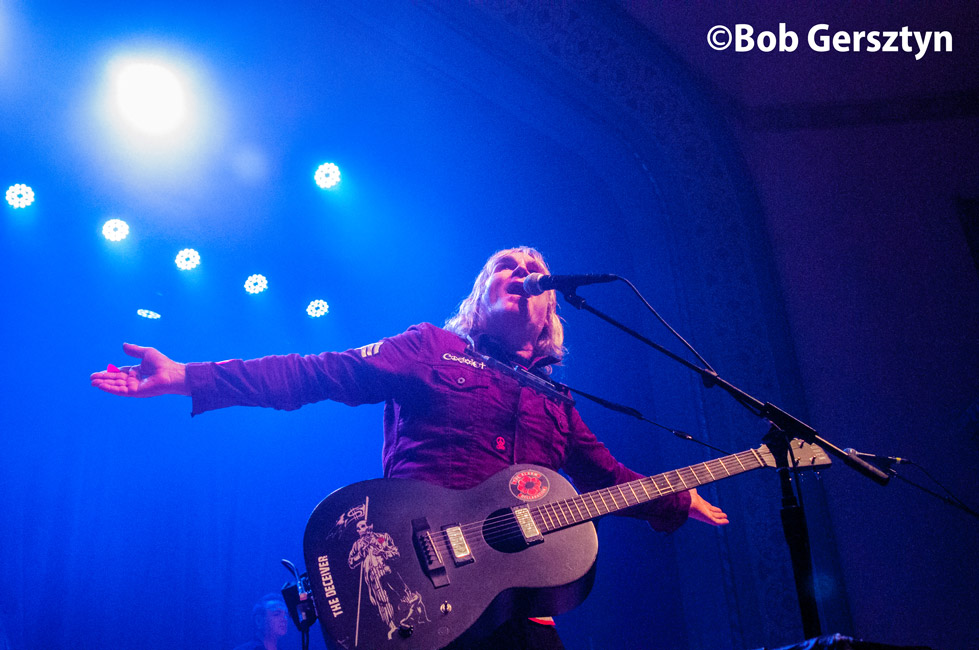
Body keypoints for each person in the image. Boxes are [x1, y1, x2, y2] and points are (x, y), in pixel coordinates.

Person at [91, 246, 728, 649]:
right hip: (415, 592)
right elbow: (318, 371)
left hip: (516, 614)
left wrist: (676, 500)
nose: (523, 274)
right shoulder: (432, 349)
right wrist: (187, 376)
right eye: (505, 266)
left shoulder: (557, 402)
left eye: (536, 272)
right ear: (478, 298)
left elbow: (609, 478)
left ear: (551, 319)